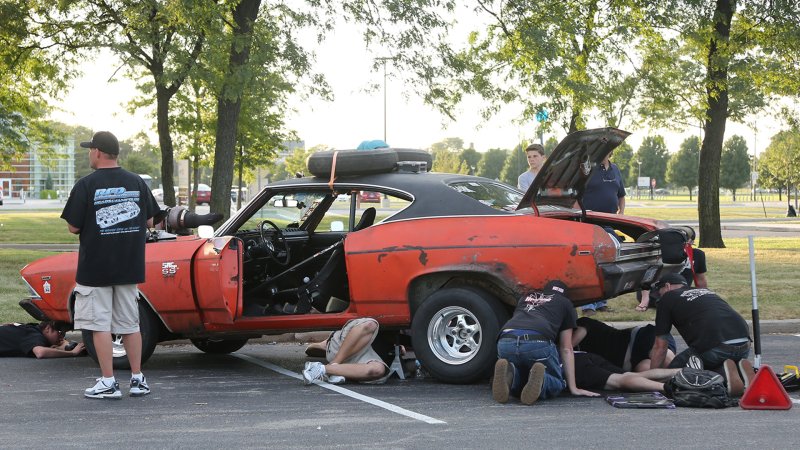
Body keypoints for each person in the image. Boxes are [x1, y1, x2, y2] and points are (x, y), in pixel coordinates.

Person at [61, 131, 160, 399]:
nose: (88, 154)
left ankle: (108, 382)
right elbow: (151, 221)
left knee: (99, 326)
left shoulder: (86, 185)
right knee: (130, 324)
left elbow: (73, 226)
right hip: (129, 267)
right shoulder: (136, 182)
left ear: (97, 152)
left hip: (96, 269)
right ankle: (138, 379)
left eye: (89, 149)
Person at [492, 280, 598, 405]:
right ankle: (543, 381)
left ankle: (511, 373)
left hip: (506, 340)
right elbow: (566, 348)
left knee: (522, 371)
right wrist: (574, 388)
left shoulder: (526, 297)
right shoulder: (565, 303)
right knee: (558, 383)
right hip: (536, 341)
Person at [648, 272, 753, 394]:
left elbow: (660, 346)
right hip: (744, 345)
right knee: (707, 363)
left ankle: (723, 377)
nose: (659, 297)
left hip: (715, 347)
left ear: (667, 286)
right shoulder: (706, 292)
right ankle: (735, 374)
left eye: (659, 293)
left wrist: (654, 378)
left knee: (674, 376)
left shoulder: (668, 297)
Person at [581, 151, 626, 316]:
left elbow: (621, 195)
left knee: (606, 263)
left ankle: (601, 302)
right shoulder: (587, 170)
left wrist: (621, 215)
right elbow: (575, 195)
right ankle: (588, 305)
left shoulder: (615, 169)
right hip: (590, 222)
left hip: (610, 223)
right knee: (590, 263)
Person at [636, 226, 707, 311]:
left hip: (681, 291)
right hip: (655, 292)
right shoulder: (658, 252)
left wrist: (704, 296)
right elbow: (647, 278)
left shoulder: (697, 254)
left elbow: (700, 280)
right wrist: (645, 299)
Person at [302, 318, 390, 384]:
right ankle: (336, 363)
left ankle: (324, 369)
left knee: (378, 370)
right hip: (350, 340)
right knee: (370, 324)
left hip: (367, 351)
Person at [572, 317, 676, 372]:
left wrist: (559, 350)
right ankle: (684, 378)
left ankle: (687, 372)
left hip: (636, 338)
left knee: (665, 358)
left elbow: (568, 346)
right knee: (648, 372)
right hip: (630, 362)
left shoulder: (582, 323)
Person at [573, 351, 680, 393]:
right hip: (582, 354)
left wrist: (573, 388)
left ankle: (673, 389)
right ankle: (682, 372)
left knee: (619, 381)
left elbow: (566, 350)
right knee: (630, 376)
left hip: (574, 364)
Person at [0, 321, 86, 358]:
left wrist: (65, 347)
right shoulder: (35, 335)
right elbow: (41, 353)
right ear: (47, 328)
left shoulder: (33, 329)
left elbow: (63, 343)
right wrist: (72, 353)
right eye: (60, 333)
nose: (61, 337)